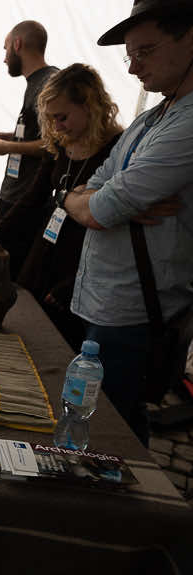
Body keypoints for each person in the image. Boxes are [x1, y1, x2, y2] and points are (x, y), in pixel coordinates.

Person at [61, 0, 193, 446]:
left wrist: (92, 202)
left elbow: (97, 208)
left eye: (146, 51)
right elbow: (85, 191)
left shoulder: (188, 123)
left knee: (109, 429)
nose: (134, 67)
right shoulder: (152, 117)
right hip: (105, 300)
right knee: (100, 418)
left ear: (190, 38)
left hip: (136, 312)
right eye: (129, 55)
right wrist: (83, 198)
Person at [0, 64, 123, 350]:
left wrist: (76, 283)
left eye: (63, 117)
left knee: (61, 350)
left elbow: (116, 231)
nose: (56, 126)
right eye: (52, 119)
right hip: (43, 258)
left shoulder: (116, 150)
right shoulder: (61, 145)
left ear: (89, 105)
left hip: (79, 273)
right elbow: (30, 204)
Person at [0, 21, 58, 225]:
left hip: (27, 201)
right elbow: (40, 133)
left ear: (17, 44)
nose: (4, 58)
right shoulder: (37, 82)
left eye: (6, 48)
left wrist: (8, 146)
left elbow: (54, 144)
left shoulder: (49, 84)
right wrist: (11, 137)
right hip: (18, 195)